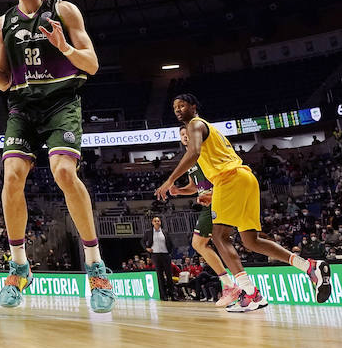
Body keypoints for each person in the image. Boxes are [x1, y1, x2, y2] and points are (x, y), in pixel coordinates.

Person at [0, 0, 115, 313]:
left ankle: (95, 266)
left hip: (61, 102)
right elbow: (2, 80)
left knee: (63, 172)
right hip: (23, 106)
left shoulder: (65, 11)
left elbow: (91, 65)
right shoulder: (3, 23)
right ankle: (18, 266)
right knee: (11, 177)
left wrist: (63, 47)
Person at [156, 94, 331, 312]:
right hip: (244, 179)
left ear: (193, 106)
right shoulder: (210, 130)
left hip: (229, 180)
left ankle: (250, 294)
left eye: (182, 105)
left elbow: (194, 152)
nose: (178, 109)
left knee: (219, 237)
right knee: (251, 241)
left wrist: (169, 180)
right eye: (175, 107)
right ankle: (309, 266)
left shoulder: (195, 124)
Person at [167, 127, 237, 306]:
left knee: (205, 243)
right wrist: (179, 191)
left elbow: (222, 179)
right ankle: (236, 287)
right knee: (210, 243)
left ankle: (232, 286)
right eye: (182, 135)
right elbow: (195, 186)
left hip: (219, 200)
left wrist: (212, 194)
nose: (184, 137)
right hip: (209, 203)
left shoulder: (205, 154)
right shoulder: (190, 161)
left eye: (187, 134)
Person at [141, 216, 178, 301]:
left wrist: (170, 253)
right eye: (155, 221)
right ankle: (163, 295)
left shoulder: (165, 232)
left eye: (158, 221)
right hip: (156, 255)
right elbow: (142, 241)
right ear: (152, 223)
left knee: (169, 275)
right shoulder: (149, 232)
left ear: (160, 222)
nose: (157, 222)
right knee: (160, 276)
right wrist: (146, 248)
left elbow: (171, 243)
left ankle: (173, 295)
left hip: (165, 255)